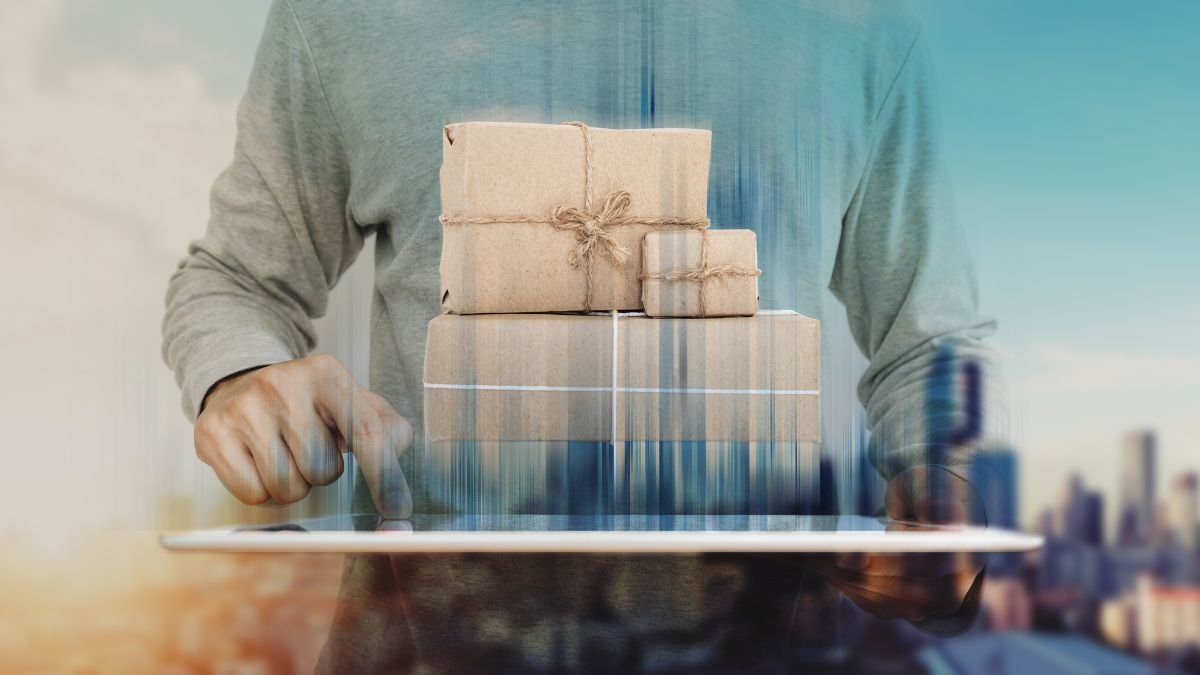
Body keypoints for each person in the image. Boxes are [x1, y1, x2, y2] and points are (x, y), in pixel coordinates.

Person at [163, 1, 999, 671]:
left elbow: (932, 335)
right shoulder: (345, 15)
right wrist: (240, 373)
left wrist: (944, 484)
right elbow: (232, 278)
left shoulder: (859, 27)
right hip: (421, 648)